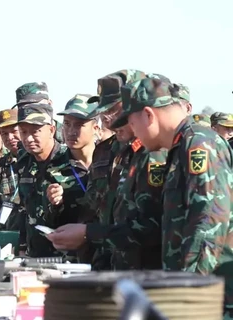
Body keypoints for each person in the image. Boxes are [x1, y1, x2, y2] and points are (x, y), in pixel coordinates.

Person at [118, 77, 233, 319]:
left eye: (132, 123)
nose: (133, 133)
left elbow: (209, 222)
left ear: (149, 115)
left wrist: (189, 294)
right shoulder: (179, 147)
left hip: (211, 298)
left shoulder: (198, 144)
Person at [84, 69, 146, 270]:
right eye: (104, 112)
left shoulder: (154, 152)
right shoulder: (107, 149)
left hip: (143, 266)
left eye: (114, 110)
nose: (108, 119)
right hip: (109, 260)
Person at [16, 102, 85, 258]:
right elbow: (24, 211)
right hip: (35, 256)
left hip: (69, 257)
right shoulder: (24, 164)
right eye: (23, 132)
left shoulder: (71, 161)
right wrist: (21, 248)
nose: (28, 138)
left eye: (36, 131)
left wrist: (60, 202)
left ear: (52, 130)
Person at [45, 94, 99, 262]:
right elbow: (50, 221)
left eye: (79, 125)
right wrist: (56, 204)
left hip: (107, 253)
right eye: (67, 124)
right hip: (73, 258)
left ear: (96, 128)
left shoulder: (112, 160)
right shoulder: (54, 167)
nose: (71, 131)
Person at [0, 108, 22, 231]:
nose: (10, 137)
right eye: (4, 133)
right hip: (12, 234)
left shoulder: (38, 161)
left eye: (14, 131)